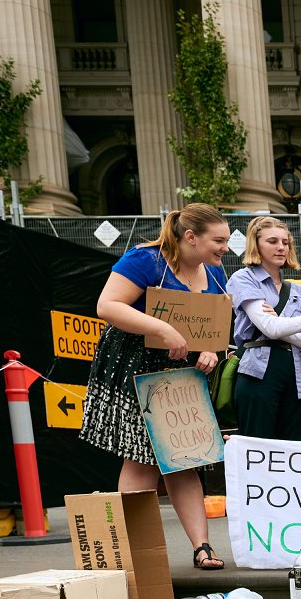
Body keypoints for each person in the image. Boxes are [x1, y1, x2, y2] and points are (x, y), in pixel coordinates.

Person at [82, 203, 232, 569]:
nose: (226, 248)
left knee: (185, 458)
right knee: (141, 458)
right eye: (219, 240)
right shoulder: (146, 260)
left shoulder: (214, 275)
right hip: (136, 368)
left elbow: (215, 328)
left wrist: (212, 350)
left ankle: (202, 547)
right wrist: (160, 328)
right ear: (191, 237)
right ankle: (133, 551)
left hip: (181, 374)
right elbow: (108, 305)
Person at [227, 216, 301, 442]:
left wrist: (282, 327)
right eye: (272, 241)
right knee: (258, 446)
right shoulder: (244, 278)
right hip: (258, 371)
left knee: (295, 448)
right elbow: (269, 328)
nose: (281, 247)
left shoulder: (300, 291)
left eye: (285, 242)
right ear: (255, 244)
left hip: (299, 376)